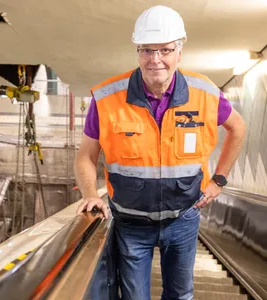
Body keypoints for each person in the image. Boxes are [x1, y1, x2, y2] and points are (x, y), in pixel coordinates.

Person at [75, 5, 246, 300]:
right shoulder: (106, 98)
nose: (156, 60)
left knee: (180, 295)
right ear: (137, 51)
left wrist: (219, 180)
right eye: (146, 50)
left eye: (165, 50)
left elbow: (238, 128)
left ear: (179, 51)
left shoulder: (204, 92)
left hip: (183, 219)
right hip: (130, 223)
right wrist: (90, 193)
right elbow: (86, 156)